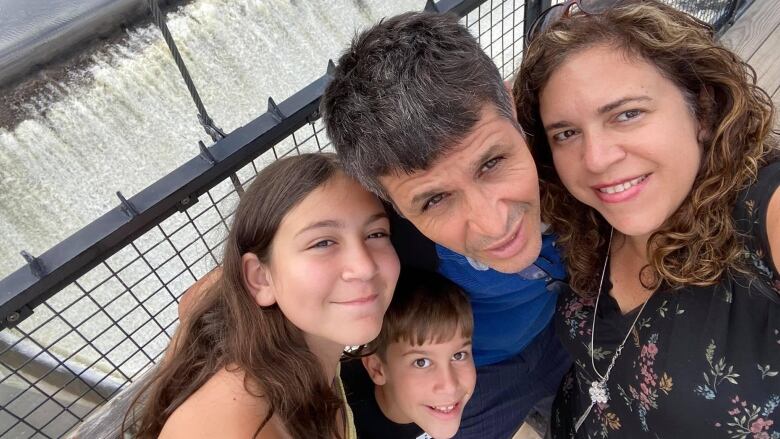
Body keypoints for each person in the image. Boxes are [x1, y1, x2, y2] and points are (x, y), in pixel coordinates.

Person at [514, 1, 780, 437]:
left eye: (627, 114)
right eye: (566, 133)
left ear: (705, 109)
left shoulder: (762, 212)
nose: (595, 160)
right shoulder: (587, 219)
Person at [321, 11, 570, 438]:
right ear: (391, 204)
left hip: (567, 329)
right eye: (435, 200)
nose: (494, 225)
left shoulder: (577, 146)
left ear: (511, 106)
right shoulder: (388, 248)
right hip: (480, 382)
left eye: (492, 162)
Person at [123, 153, 400, 439]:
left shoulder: (308, 351)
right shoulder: (234, 427)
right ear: (259, 277)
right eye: (323, 242)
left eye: (376, 234)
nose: (365, 267)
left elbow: (201, 295)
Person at [342, 267, 477, 439]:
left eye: (458, 355)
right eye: (421, 362)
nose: (450, 385)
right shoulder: (342, 424)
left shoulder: (450, 404)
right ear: (377, 368)